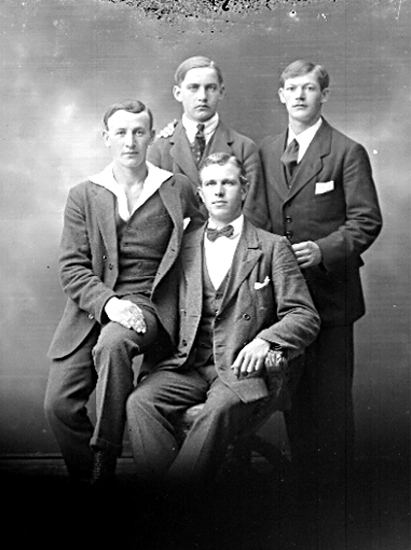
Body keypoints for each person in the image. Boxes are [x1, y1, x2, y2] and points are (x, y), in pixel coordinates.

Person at [126, 152, 320, 492]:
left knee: (217, 410)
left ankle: (169, 505)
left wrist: (266, 340)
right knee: (140, 402)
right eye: (211, 184)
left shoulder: (272, 247)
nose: (219, 191)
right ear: (200, 194)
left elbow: (304, 315)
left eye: (228, 183)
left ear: (244, 189)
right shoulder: (182, 246)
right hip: (186, 365)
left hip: (237, 370)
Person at [44, 99, 203, 486]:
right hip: (93, 308)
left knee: (114, 343)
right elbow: (71, 267)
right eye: (121, 133)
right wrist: (108, 303)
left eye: (138, 132)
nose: (130, 141)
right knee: (59, 406)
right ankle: (93, 485)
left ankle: (105, 458)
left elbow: (204, 242)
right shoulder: (85, 194)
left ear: (151, 136)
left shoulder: (176, 188)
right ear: (106, 138)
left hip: (150, 304)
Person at [258, 60, 383, 486]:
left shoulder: (347, 151)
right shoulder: (266, 151)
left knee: (330, 402)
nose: (299, 95)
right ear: (281, 95)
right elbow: (258, 217)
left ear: (324, 95)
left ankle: (336, 494)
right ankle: (304, 489)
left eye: (309, 88)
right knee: (293, 398)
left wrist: (323, 250)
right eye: (291, 88)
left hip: (331, 299)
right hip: (284, 300)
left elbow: (366, 220)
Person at [147, 55, 268, 228]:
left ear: (221, 92)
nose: (202, 96)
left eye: (210, 88)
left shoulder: (244, 148)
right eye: (193, 88)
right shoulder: (159, 149)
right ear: (178, 93)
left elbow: (254, 214)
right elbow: (152, 214)